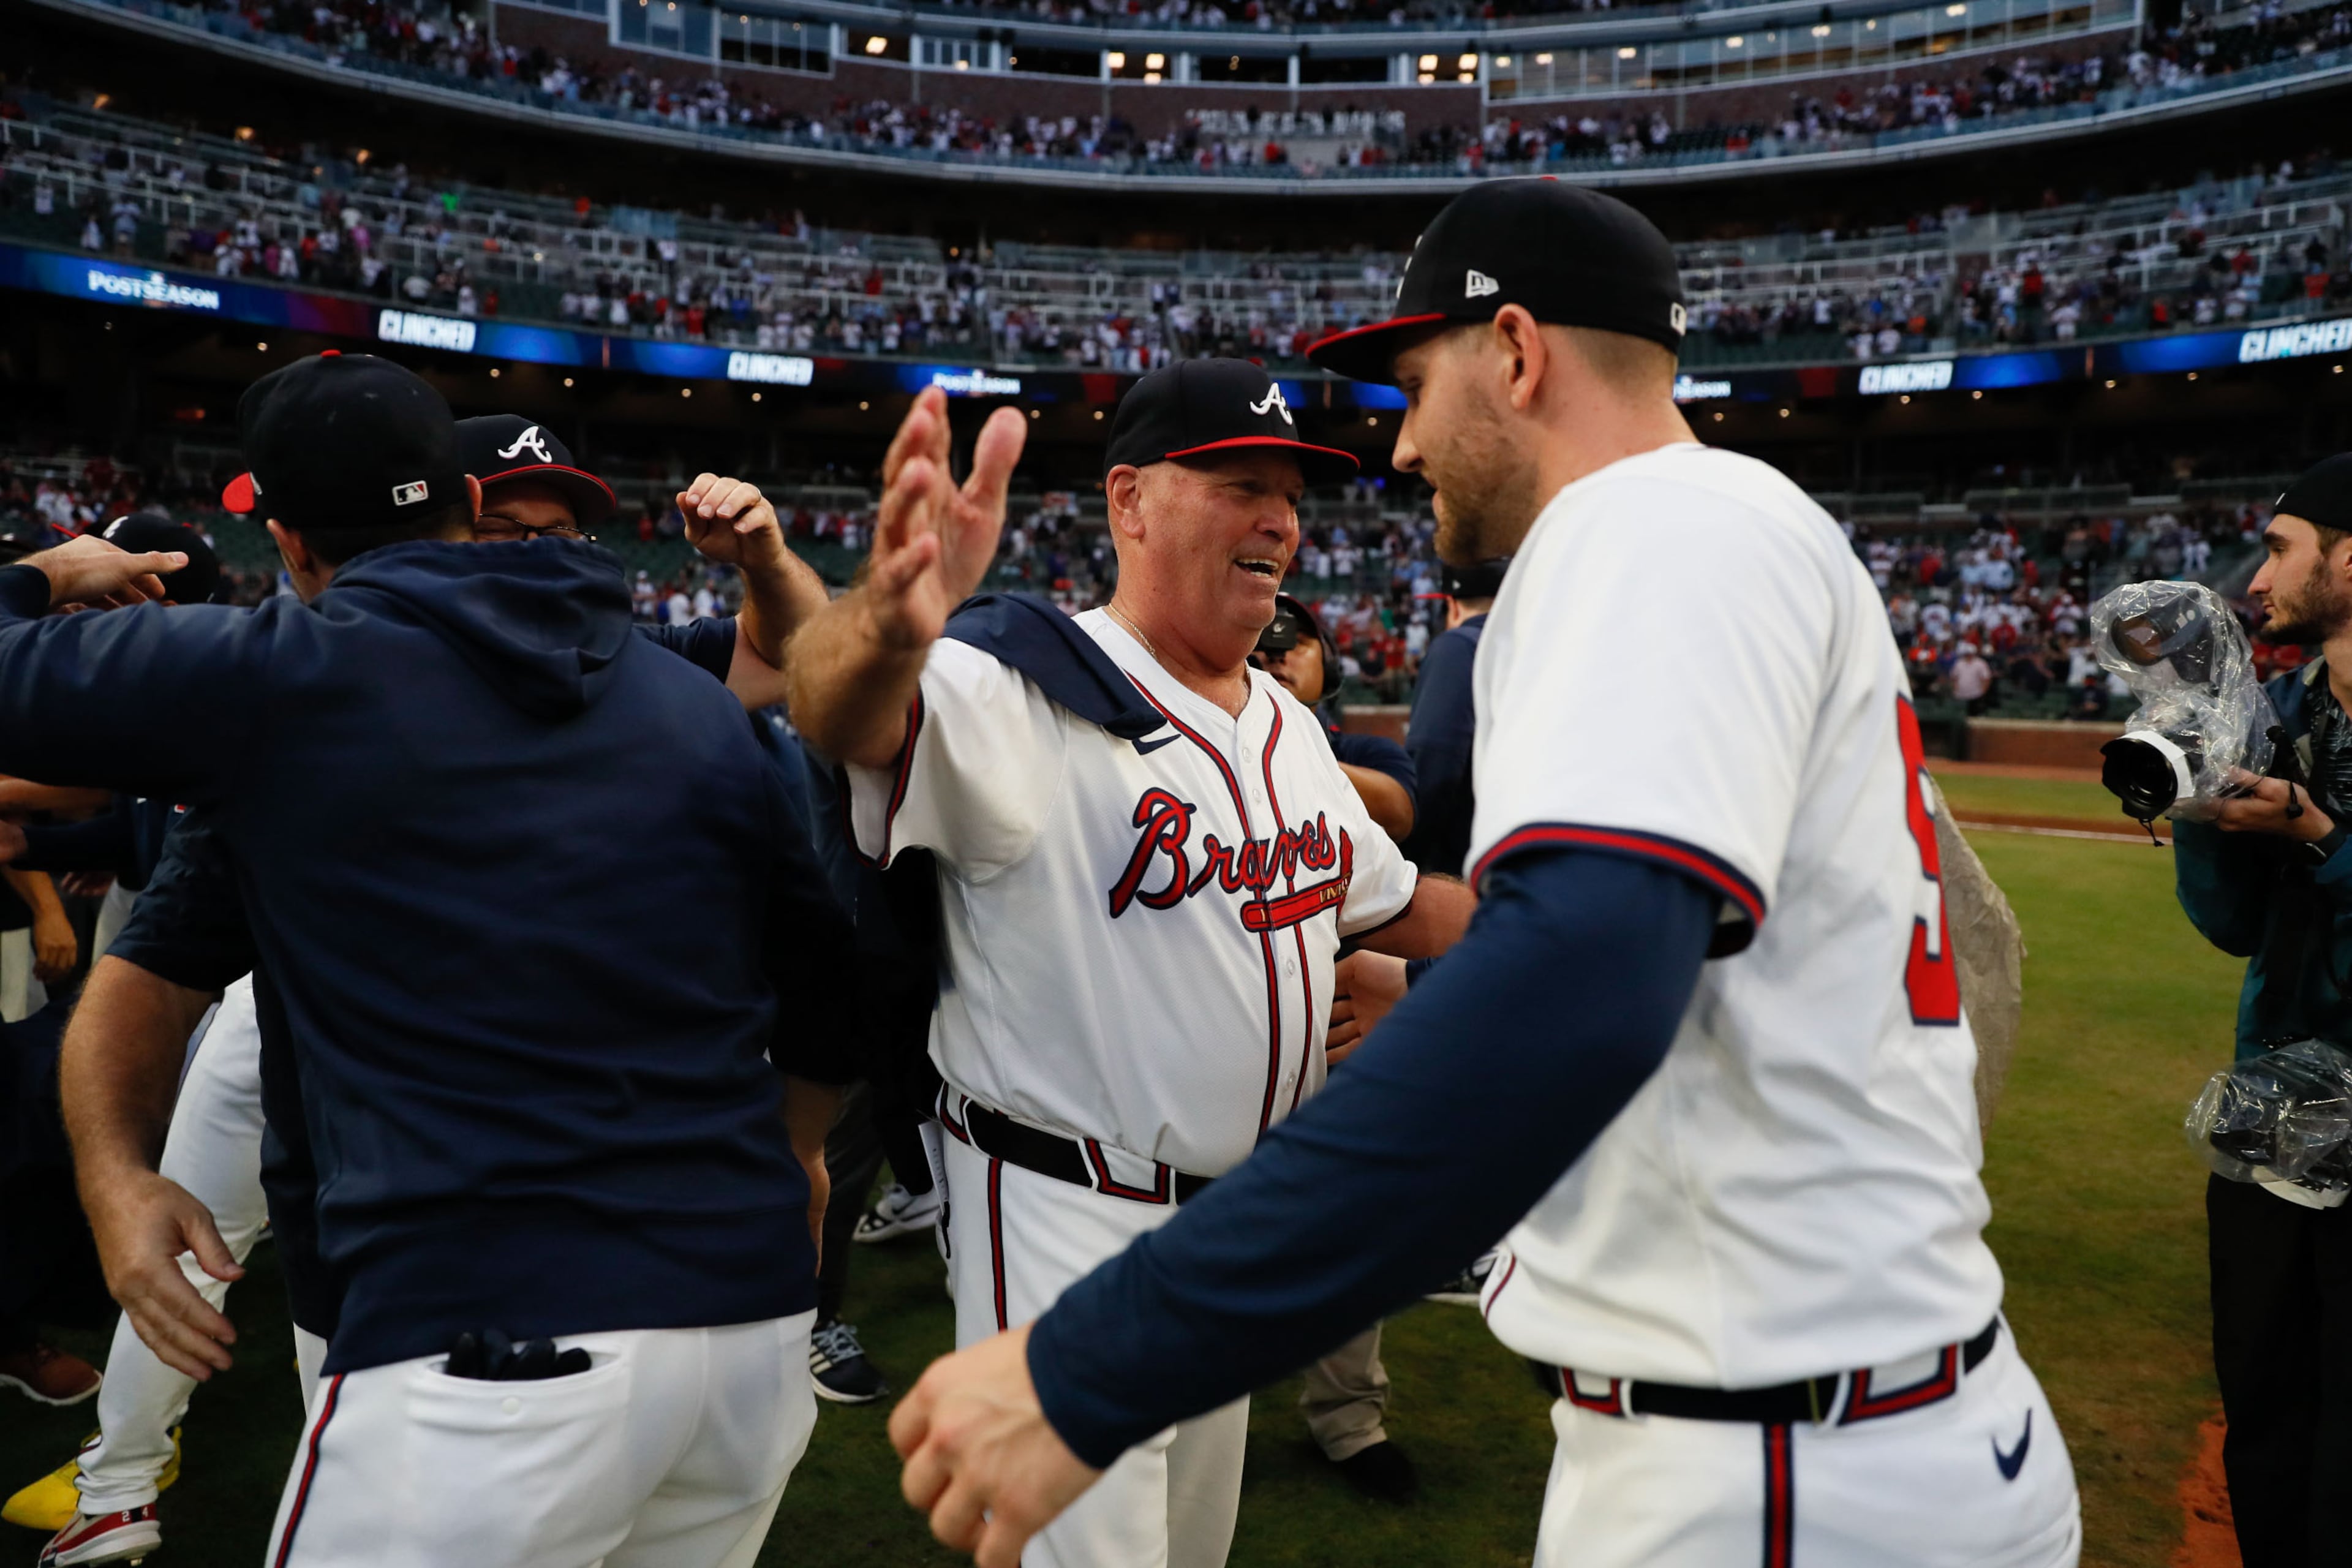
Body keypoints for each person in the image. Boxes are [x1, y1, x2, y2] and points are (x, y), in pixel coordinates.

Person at [887, 178, 2081, 1568]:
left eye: (1411, 384)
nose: (1397, 449)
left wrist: (1099, 1351)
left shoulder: (1642, 526)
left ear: (1513, 353)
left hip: (1774, 1463)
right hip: (1843, 1418)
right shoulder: (1730, 526)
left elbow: (1572, 983)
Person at [0, 352, 860, 1568]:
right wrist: (803, 1145)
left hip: (488, 1341)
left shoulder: (279, 674)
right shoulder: (687, 699)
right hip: (743, 1330)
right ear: (460, 510)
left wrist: (43, 572)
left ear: (289, 544)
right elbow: (835, 978)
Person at [786, 360, 1474, 1567]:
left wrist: (1624, 903)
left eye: (1291, 496)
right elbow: (846, 715)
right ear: (1130, 499)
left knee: (1191, 1549)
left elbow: (1408, 905)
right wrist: (882, 626)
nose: (1278, 519)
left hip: (1231, 1232)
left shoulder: (1287, 727)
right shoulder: (1019, 684)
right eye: (1238, 484)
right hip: (1063, 1211)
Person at [2171, 452, 2352, 1568]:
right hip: (2268, 1128)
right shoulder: (2279, 712)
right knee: (2269, 1426)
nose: (2257, 580)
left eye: (2281, 548)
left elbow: (2318, 856)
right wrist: (2195, 808)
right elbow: (2237, 927)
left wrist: (2323, 838)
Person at [1248, 590, 1423, 1502]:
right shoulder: (1175, 746)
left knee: (1348, 1238)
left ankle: (1349, 1420)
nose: (1277, 656)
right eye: (1264, 644)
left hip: (1341, 1038)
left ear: (1328, 665)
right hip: (1225, 1039)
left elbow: (1396, 808)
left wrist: (1282, 745)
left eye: (1296, 645)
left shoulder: (1356, 750)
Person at [1401, 557, 1505, 879]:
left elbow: (1435, 765)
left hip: (1466, 872)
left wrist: (1405, 861)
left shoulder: (1459, 646)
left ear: (1453, 606)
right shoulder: (1542, 649)